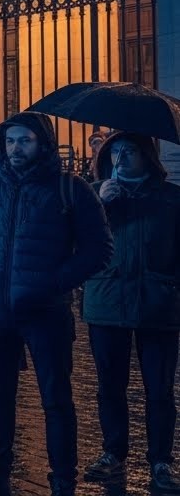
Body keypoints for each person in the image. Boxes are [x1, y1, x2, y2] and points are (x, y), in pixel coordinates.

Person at [0, 112, 111, 496]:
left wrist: (54, 283)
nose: (15, 148)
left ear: (42, 142)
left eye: (24, 140)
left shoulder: (70, 188)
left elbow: (98, 249)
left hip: (45, 311)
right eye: (10, 141)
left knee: (55, 397)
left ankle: (62, 480)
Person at [80, 132, 180, 492]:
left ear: (147, 156)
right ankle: (113, 452)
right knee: (110, 386)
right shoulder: (92, 193)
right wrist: (101, 205)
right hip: (106, 302)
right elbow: (75, 243)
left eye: (130, 151)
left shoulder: (171, 197)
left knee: (160, 389)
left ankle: (161, 460)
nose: (121, 157)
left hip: (158, 305)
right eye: (116, 151)